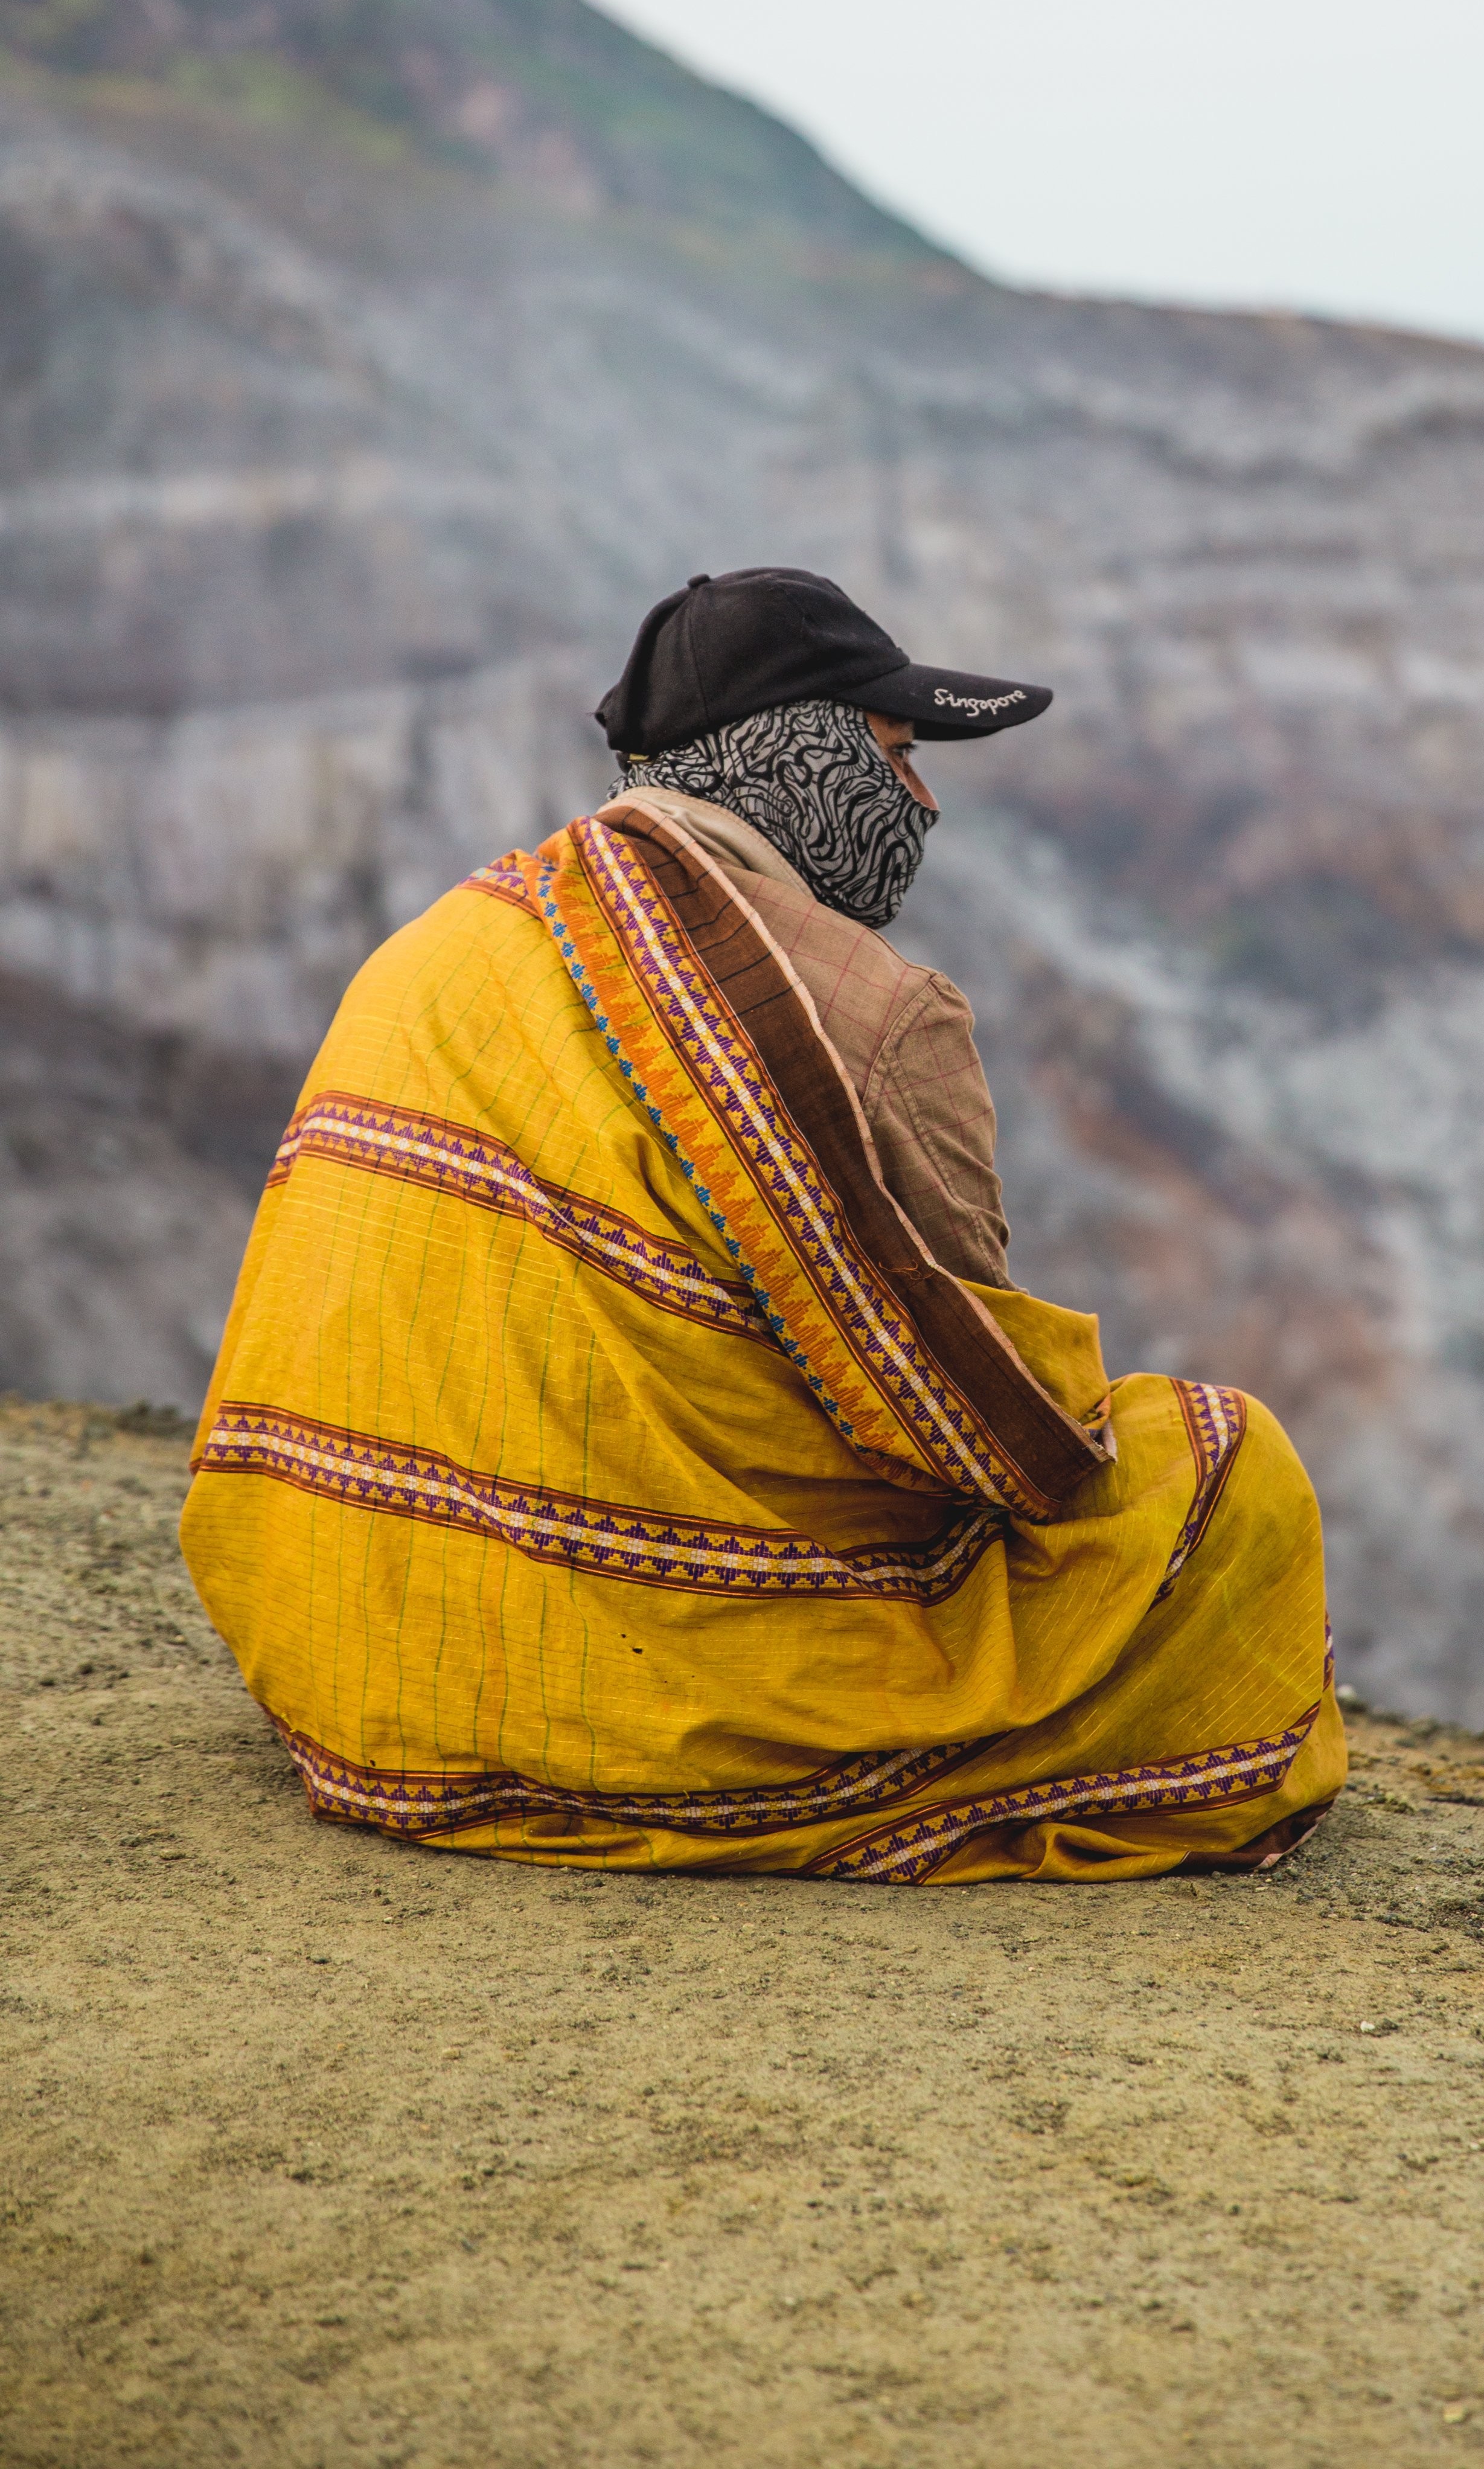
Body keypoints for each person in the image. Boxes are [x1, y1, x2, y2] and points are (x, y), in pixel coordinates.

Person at [181, 568, 1345, 1879]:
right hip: (630, 1693)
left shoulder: (443, 942)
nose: (927, 803)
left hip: (351, 1645)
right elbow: (995, 1439)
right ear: (804, 751)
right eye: (900, 754)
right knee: (1231, 1472)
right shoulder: (869, 1008)